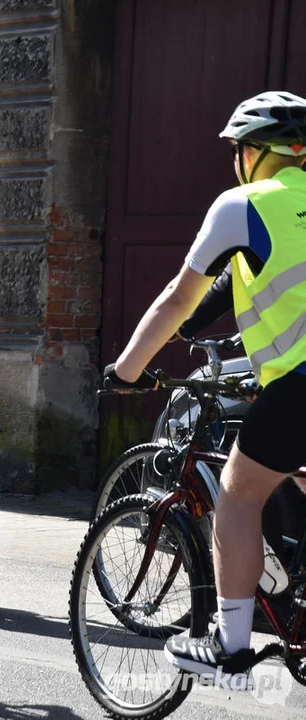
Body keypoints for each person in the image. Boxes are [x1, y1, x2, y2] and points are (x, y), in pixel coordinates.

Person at [104, 91, 306, 679]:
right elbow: (229, 283)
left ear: (255, 154)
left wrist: (126, 370)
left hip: (297, 383)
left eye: (237, 150)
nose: (233, 162)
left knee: (239, 496)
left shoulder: (241, 205)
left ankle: (233, 647)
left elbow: (179, 297)